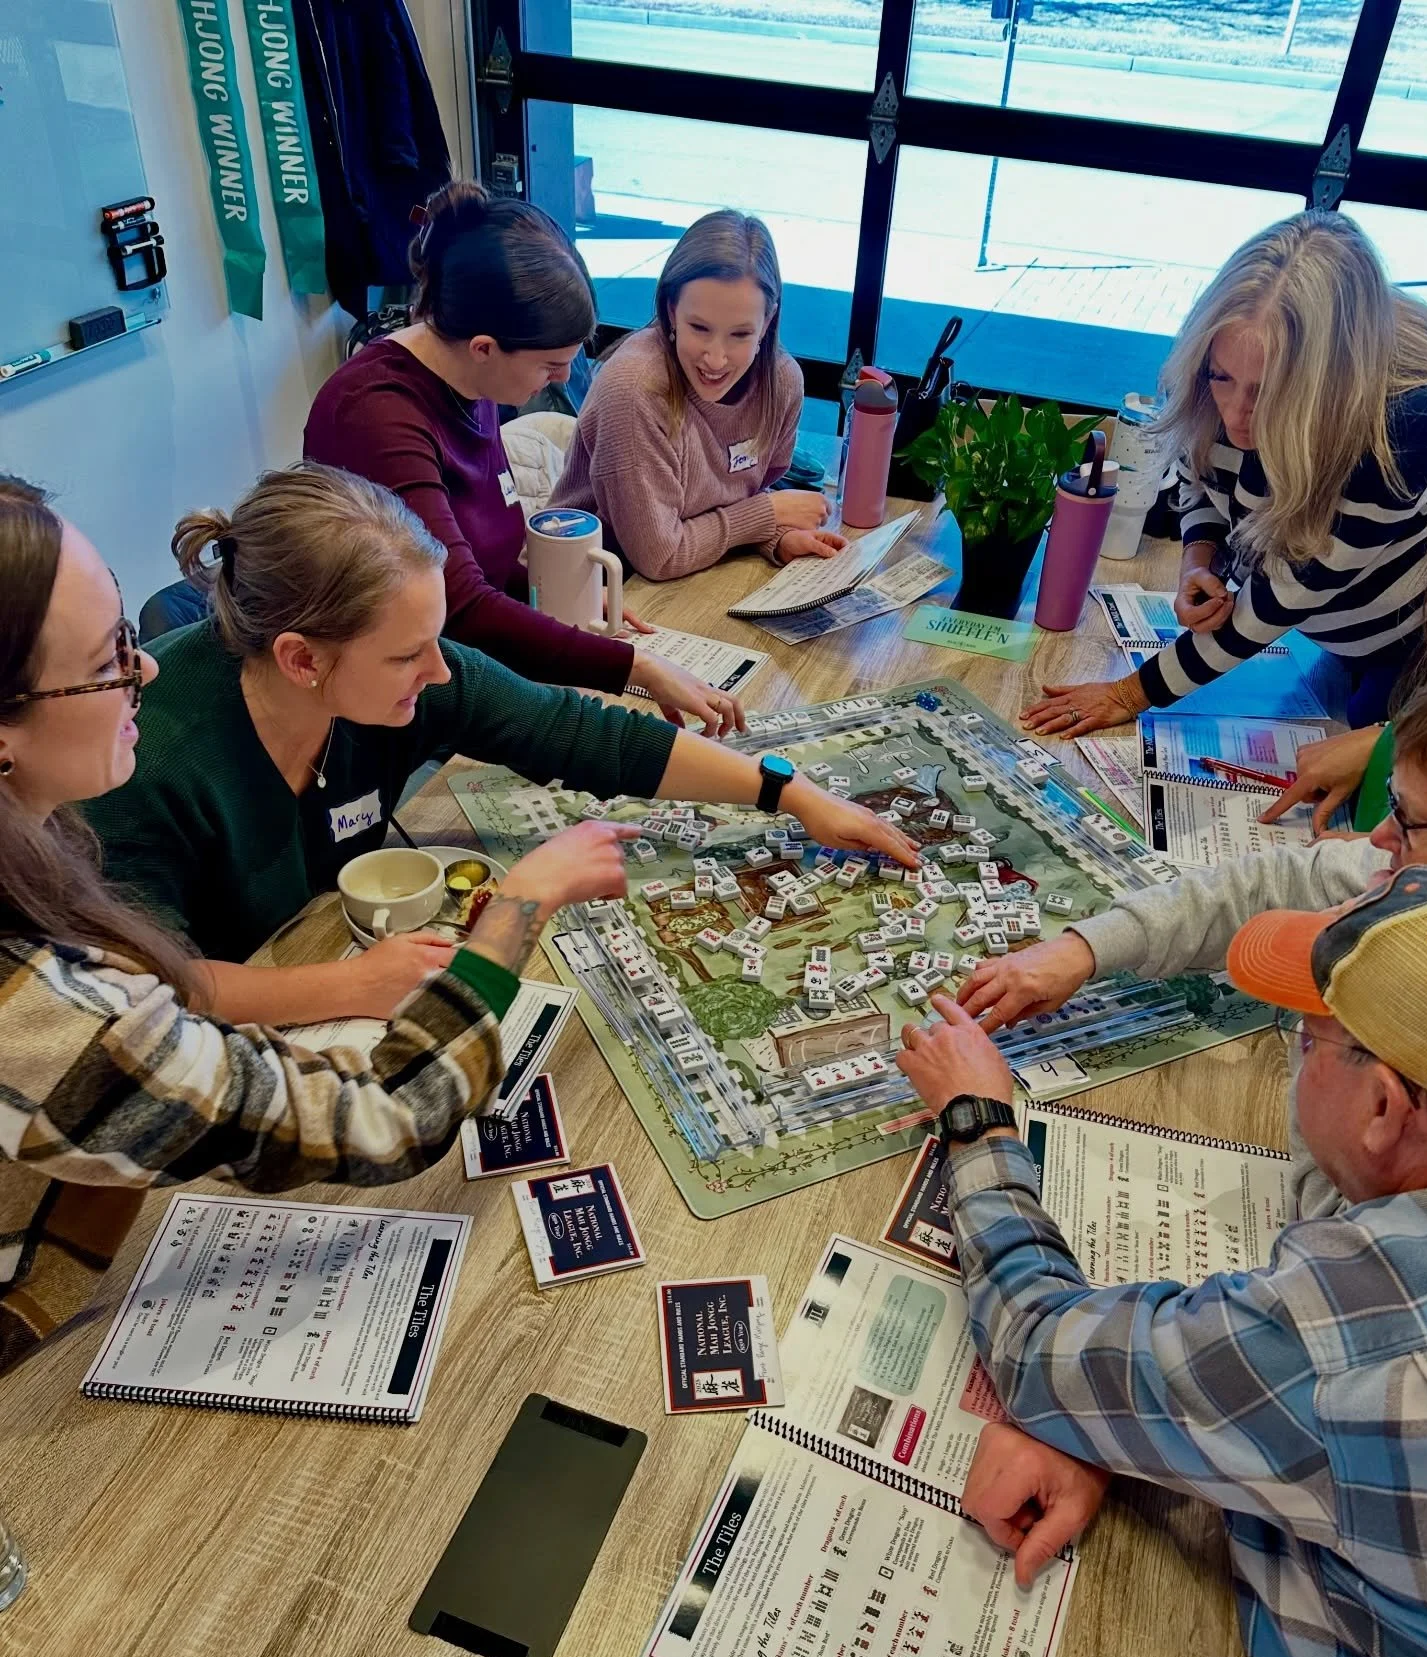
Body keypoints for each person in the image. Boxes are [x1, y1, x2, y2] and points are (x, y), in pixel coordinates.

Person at [0, 474, 637, 1376]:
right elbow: (386, 1117)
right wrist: (517, 913)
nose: (142, 669)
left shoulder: (36, 833)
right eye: (109, 657)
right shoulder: (41, 1010)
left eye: (132, 640)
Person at [898, 871, 1427, 1657]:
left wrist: (977, 1118)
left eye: (1307, 1040)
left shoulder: (1355, 1332)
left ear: (1383, 1103)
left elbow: (1036, 1345)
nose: (1295, 1054)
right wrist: (1145, 1417)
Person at [84, 464, 917, 1032]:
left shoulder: (407, 671)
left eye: (437, 639)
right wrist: (352, 985)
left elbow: (584, 735)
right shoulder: (141, 765)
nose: (439, 671)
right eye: (408, 655)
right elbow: (146, 990)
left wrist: (792, 794)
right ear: (302, 659)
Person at [951, 681, 1427, 1220]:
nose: (1375, 838)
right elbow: (1268, 884)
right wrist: (1082, 949)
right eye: (1390, 801)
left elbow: (1340, 1229)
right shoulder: (1412, 880)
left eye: (1407, 816)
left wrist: (976, 1122)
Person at [304, 182, 737, 736]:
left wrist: (565, 603)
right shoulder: (372, 416)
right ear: (484, 347)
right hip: (393, 704)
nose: (561, 380)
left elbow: (484, 558)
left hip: (468, 668)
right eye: (550, 365)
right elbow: (455, 605)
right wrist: (636, 669)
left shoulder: (472, 377)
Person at [1022, 211, 1427, 742]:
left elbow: (1280, 599)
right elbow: (1198, 471)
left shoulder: (1403, 429)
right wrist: (1199, 560)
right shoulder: (1215, 356)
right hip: (1334, 628)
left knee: (1378, 769)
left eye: (1269, 391)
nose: (1237, 416)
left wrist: (1128, 694)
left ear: (1330, 384)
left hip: (1413, 644)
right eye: (1222, 378)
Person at [547, 208, 843, 582]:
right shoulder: (634, 387)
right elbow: (661, 557)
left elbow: (740, 501)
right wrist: (769, 514)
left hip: (696, 576)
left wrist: (778, 537)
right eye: (699, 328)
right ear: (671, 310)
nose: (716, 359)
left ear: (767, 323)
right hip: (597, 590)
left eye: (740, 335)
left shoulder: (782, 382)